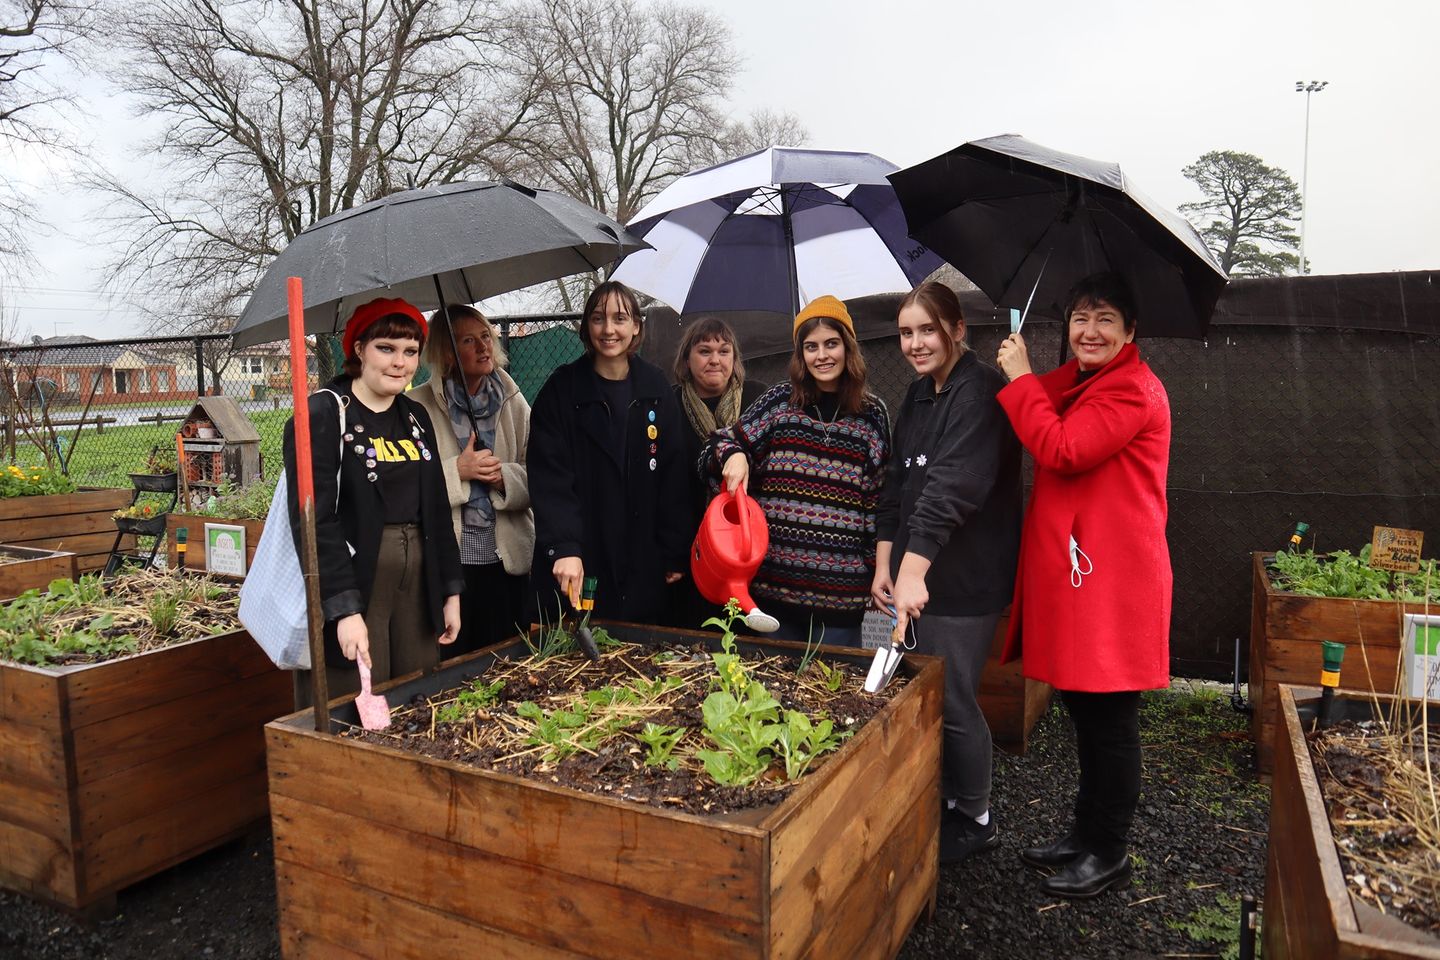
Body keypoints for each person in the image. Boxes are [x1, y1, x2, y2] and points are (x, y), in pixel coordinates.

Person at [994, 272, 1172, 899]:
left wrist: (1019, 379)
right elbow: (1038, 398)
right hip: (1084, 575)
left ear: (1129, 331)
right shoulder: (1086, 380)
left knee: (1110, 718)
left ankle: (1110, 850)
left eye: (1104, 320)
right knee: (1083, 708)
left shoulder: (1131, 390)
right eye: (1079, 318)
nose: (1090, 331)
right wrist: (1014, 373)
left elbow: (1062, 446)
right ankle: (1084, 833)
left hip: (1114, 581)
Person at [873, 281, 1022, 864]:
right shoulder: (916, 396)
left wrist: (912, 569)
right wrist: (886, 564)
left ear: (957, 329)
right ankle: (949, 796)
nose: (915, 342)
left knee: (955, 696)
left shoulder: (981, 391)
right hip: (912, 576)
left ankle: (976, 814)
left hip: (962, 581)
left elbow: (951, 488)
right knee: (921, 690)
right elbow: (897, 487)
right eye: (907, 332)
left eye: (927, 329)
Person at [283, 297, 463, 702]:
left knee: (418, 697)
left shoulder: (416, 419)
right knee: (353, 700)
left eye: (411, 351)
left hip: (417, 587)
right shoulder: (323, 415)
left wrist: (449, 590)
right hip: (355, 579)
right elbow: (314, 521)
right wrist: (344, 609)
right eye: (386, 348)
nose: (400, 362)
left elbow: (435, 509)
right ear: (359, 349)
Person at [706, 295, 890, 646]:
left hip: (843, 604)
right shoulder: (779, 403)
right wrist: (735, 454)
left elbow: (877, 503)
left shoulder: (872, 414)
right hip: (773, 601)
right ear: (801, 354)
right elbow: (715, 448)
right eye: (811, 346)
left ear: (848, 347)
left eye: (831, 344)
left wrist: (872, 578)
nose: (822, 355)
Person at [527, 280, 689, 623]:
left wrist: (675, 549)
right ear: (586, 326)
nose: (609, 329)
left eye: (620, 318)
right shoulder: (561, 390)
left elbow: (674, 475)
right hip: (582, 556)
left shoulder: (656, 388)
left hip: (642, 557)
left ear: (635, 327)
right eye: (598, 318)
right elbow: (549, 477)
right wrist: (565, 546)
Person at [414, 304, 533, 654]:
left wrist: (503, 478)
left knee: (509, 660)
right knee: (457, 665)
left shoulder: (513, 401)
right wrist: (457, 472)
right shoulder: (416, 406)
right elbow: (407, 484)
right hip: (450, 565)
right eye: (469, 340)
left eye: (486, 336)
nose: (484, 347)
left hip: (507, 560)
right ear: (446, 352)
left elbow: (541, 473)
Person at [669, 317, 768, 628]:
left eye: (724, 351)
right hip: (692, 551)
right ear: (687, 359)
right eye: (704, 351)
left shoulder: (758, 399)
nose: (715, 360)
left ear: (734, 359)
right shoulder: (669, 404)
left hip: (746, 548)